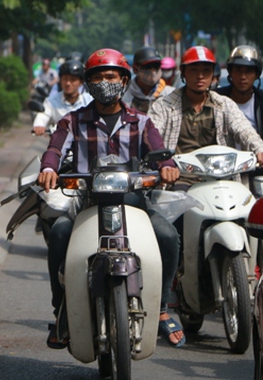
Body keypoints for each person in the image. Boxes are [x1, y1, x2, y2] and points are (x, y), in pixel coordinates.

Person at [37, 48, 183, 349]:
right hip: (86, 203)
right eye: (98, 77)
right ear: (88, 83)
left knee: (168, 236)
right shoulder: (72, 121)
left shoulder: (141, 121)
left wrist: (167, 167)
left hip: (134, 202)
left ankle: (163, 307)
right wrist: (49, 167)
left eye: (111, 76)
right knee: (60, 234)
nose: (106, 82)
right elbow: (54, 149)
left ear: (124, 80)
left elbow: (159, 151)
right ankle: (61, 310)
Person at [148, 45, 263, 191]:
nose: (200, 76)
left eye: (206, 71)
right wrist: (164, 164)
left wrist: (259, 148)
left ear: (213, 75)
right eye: (194, 70)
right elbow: (152, 136)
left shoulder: (224, 104)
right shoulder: (163, 106)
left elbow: (244, 130)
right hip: (180, 181)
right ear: (183, 73)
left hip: (222, 180)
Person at [32, 59, 92, 136]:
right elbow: (43, 115)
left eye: (73, 80)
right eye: (65, 79)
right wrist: (39, 126)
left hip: (84, 143)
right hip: (59, 144)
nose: (68, 83)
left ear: (81, 82)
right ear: (60, 80)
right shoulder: (51, 101)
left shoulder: (89, 100)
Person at [122, 46, 174, 113]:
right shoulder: (124, 95)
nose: (153, 71)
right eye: (148, 66)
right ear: (135, 69)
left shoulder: (171, 94)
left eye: (156, 65)